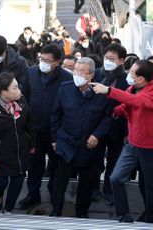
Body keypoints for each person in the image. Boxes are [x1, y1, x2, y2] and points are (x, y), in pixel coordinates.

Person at [90, 60, 153, 223]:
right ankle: (124, 216)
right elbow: (128, 103)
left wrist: (109, 91)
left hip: (148, 148)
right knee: (116, 178)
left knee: (149, 186)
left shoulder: (151, 92)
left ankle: (149, 218)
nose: (128, 74)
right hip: (132, 144)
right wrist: (115, 111)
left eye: (132, 72)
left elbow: (138, 101)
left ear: (141, 79)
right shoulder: (132, 87)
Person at [50, 57, 112, 217]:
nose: (76, 74)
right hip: (66, 143)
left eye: (81, 71)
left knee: (86, 182)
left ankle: (82, 214)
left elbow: (108, 117)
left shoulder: (102, 93)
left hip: (88, 146)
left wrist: (97, 135)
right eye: (75, 70)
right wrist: (54, 139)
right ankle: (56, 211)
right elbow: (55, 115)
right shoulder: (65, 88)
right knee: (59, 181)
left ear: (91, 75)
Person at [19, 44, 72, 210]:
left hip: (56, 131)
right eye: (41, 59)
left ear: (57, 62)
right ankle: (33, 195)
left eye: (48, 60)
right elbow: (24, 96)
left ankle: (54, 196)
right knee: (34, 165)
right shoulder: (32, 72)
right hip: (34, 129)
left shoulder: (66, 78)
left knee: (56, 165)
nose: (43, 63)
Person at [0, 72, 36, 214]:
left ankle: (8, 210)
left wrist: (32, 144)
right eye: (15, 88)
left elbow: (30, 124)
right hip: (1, 155)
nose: (19, 91)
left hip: (21, 151)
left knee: (17, 182)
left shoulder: (21, 101)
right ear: (4, 91)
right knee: (0, 183)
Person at [93, 43, 128, 205]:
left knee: (113, 160)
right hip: (97, 125)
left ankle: (108, 189)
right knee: (95, 159)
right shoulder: (97, 74)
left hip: (117, 126)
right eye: (106, 57)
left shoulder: (127, 80)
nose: (107, 61)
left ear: (122, 60)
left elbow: (129, 104)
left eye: (112, 59)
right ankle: (93, 188)